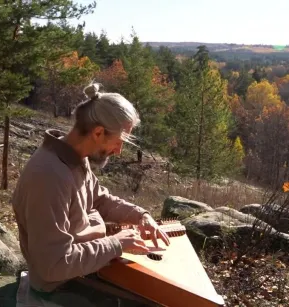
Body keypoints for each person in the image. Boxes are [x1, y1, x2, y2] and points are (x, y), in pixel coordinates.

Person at [11, 83, 170, 306]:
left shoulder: (76, 159)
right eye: (118, 142)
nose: (119, 151)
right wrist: (115, 243)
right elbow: (53, 265)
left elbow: (100, 199)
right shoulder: (48, 176)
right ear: (98, 132)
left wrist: (140, 216)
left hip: (88, 270)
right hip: (61, 286)